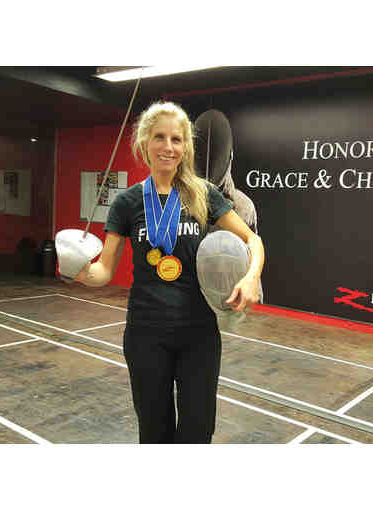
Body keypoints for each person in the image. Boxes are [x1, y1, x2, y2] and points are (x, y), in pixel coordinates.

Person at [68, 101, 265, 444]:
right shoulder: (127, 202)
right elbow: (104, 271)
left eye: (176, 139)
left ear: (186, 146)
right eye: (159, 137)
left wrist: (250, 278)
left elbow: (253, 240)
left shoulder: (204, 194)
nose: (168, 147)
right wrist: (79, 270)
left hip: (199, 334)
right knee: (154, 432)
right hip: (146, 334)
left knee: (197, 431)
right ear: (145, 143)